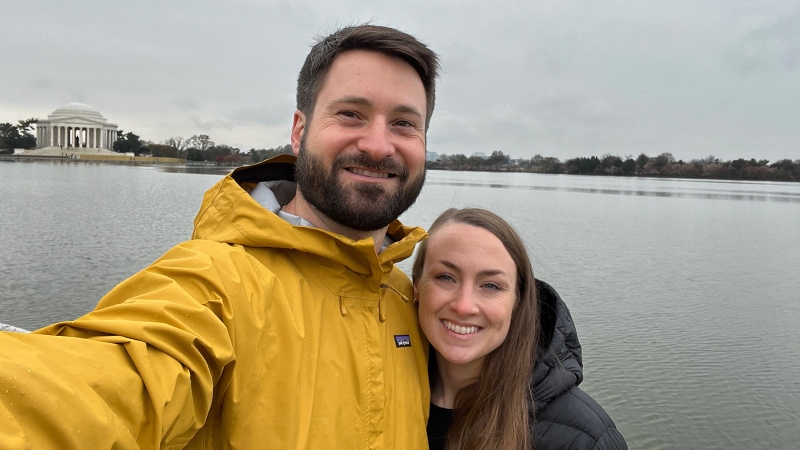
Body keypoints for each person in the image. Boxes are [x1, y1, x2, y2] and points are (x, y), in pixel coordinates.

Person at [0, 24, 439, 449]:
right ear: (300, 131)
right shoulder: (212, 284)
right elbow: (104, 387)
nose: (379, 145)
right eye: (350, 114)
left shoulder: (414, 301)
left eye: (404, 123)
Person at [413, 208, 627, 450]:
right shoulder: (383, 394)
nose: (464, 306)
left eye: (491, 285)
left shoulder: (584, 439)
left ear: (518, 302)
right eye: (445, 277)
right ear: (416, 286)